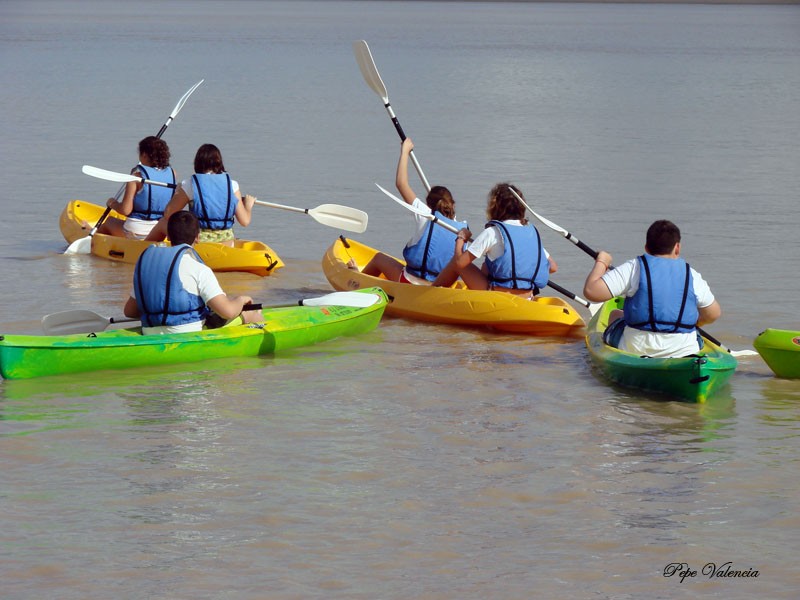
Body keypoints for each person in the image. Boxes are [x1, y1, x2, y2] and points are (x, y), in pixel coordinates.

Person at [582, 219, 722, 358]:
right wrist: (696, 323)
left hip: (637, 348)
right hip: (684, 350)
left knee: (614, 314)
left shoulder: (634, 267)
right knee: (694, 333)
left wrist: (602, 262)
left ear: (646, 248)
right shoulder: (692, 274)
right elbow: (713, 314)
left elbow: (591, 291)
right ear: (677, 248)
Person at [124, 211, 259, 335]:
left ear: (168, 236)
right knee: (251, 312)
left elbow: (129, 311)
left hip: (149, 331)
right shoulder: (199, 269)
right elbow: (227, 312)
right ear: (198, 237)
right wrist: (241, 300)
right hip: (187, 332)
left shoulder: (149, 265)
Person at [360, 138, 468, 284]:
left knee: (379, 258)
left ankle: (356, 282)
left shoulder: (425, 214)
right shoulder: (460, 228)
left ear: (429, 204)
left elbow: (401, 183)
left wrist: (404, 151)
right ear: (452, 204)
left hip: (409, 281)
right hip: (440, 286)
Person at [432, 183, 557, 297]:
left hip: (497, 296)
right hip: (527, 297)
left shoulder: (493, 232)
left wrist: (461, 238)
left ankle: (431, 294)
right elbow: (552, 267)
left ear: (494, 207)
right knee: (488, 264)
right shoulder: (531, 234)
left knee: (456, 260)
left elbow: (460, 262)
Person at [144, 143, 256, 247]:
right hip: (227, 242)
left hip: (198, 241)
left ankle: (142, 249)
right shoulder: (232, 185)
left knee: (163, 222)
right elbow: (245, 221)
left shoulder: (189, 184)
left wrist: (178, 192)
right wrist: (248, 206)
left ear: (197, 162)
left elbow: (168, 214)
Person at [97, 136, 176, 238]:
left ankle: (92, 236)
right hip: (160, 230)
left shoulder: (136, 178)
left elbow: (125, 210)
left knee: (109, 221)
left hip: (136, 230)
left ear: (144, 155)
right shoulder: (173, 174)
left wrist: (112, 203)